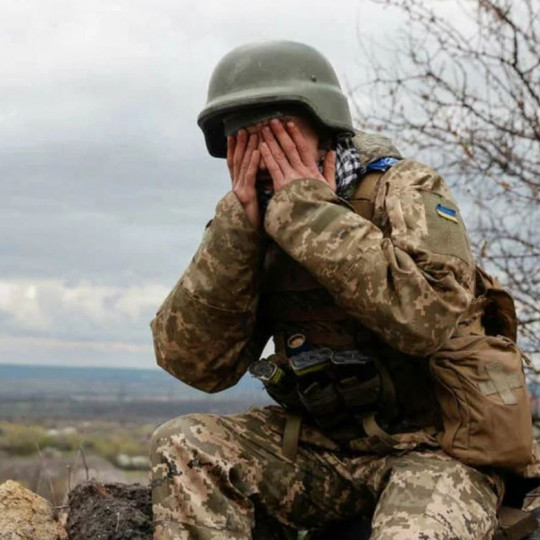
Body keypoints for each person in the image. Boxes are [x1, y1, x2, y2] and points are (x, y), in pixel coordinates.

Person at [148, 41, 534, 539]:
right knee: (185, 444)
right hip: (320, 450)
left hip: (436, 450)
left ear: (325, 127)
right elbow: (196, 364)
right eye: (244, 140)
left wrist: (311, 215)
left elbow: (429, 319)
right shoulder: (253, 223)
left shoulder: (405, 187)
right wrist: (236, 232)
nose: (265, 154)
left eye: (280, 135)